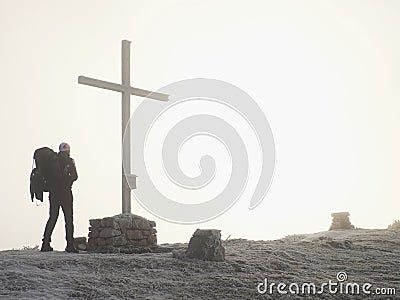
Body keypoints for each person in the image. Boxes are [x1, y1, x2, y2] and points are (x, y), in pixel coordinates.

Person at [41, 142, 78, 253]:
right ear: (68, 151)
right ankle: (70, 245)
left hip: (53, 194)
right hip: (66, 193)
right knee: (68, 218)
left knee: (52, 217)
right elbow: (75, 176)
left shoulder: (53, 161)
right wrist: (66, 181)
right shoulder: (69, 161)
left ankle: (45, 243)